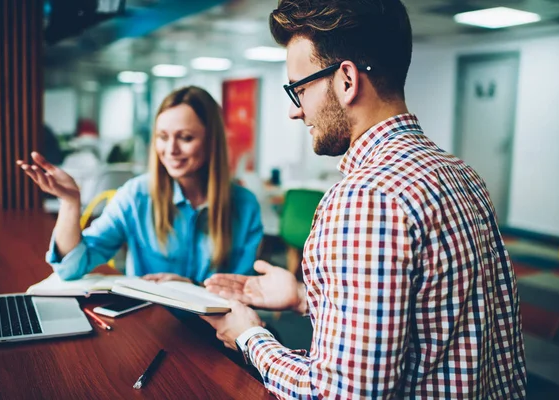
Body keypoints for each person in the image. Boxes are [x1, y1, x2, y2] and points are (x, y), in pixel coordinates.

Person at [201, 1, 527, 398]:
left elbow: (341, 393)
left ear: (346, 80)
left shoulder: (365, 200)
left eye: (299, 89)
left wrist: (250, 337)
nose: (295, 111)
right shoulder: (460, 173)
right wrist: (307, 298)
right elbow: (433, 328)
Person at [17, 86, 263, 284]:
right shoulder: (136, 195)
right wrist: (70, 203)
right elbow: (71, 268)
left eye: (185, 138)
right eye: (163, 137)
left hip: (216, 331)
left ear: (212, 142)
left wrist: (192, 291)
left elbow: (244, 288)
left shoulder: (244, 205)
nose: (171, 150)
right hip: (150, 325)